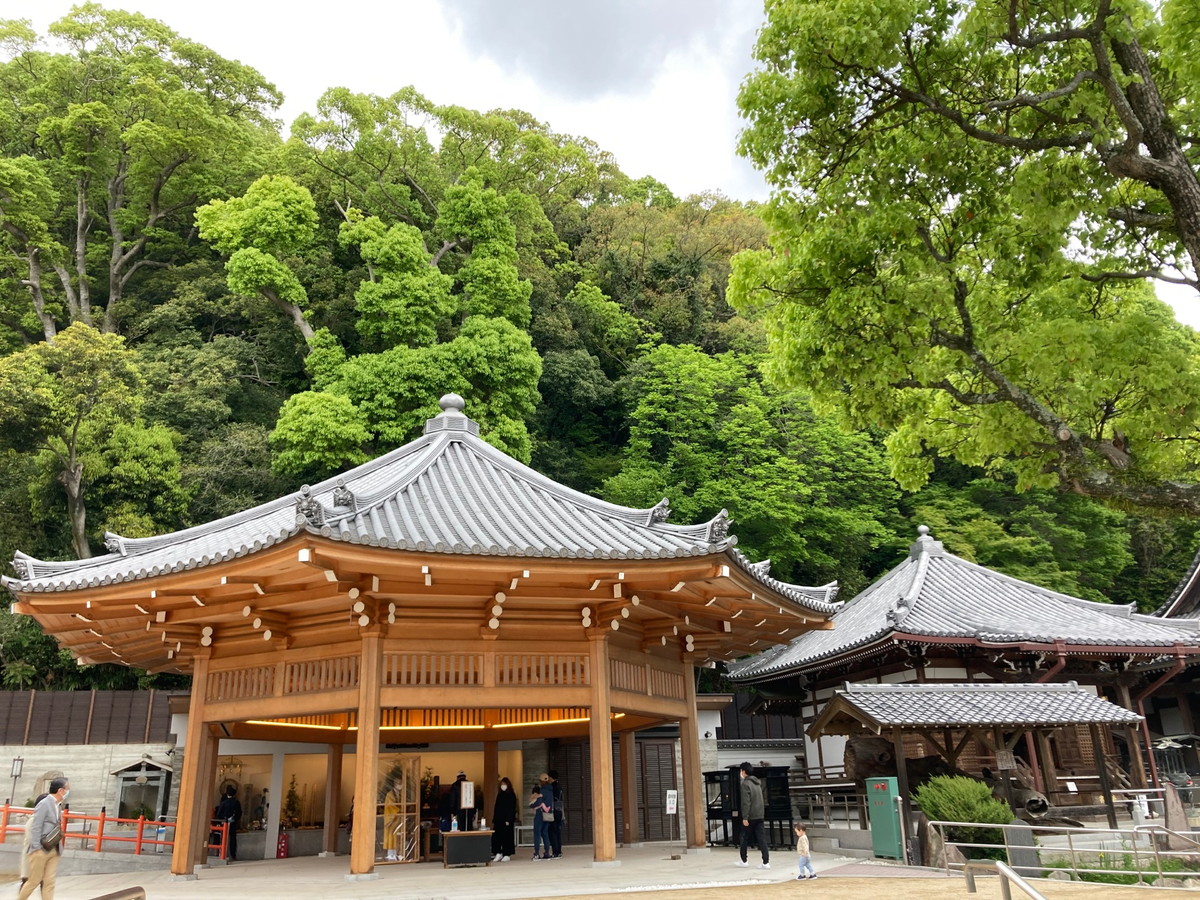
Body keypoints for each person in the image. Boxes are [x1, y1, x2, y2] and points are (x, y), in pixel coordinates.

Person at [20, 777, 68, 900]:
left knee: (49, 882)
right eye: (67, 788)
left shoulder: (58, 806)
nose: (68, 791)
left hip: (54, 848)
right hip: (41, 849)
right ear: (60, 790)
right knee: (34, 881)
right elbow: (36, 826)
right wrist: (36, 847)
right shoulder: (44, 803)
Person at [735, 761, 769, 869]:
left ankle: (744, 860)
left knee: (744, 837)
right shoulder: (757, 783)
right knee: (761, 839)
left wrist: (745, 817)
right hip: (760, 815)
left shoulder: (745, 784)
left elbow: (746, 802)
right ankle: (766, 862)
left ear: (743, 772)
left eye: (741, 771)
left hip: (750, 816)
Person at [490, 777, 517, 862]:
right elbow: (496, 808)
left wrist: (508, 819)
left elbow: (512, 808)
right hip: (498, 820)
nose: (503, 786)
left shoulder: (511, 795)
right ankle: (498, 852)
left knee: (507, 837)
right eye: (502, 784)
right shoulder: (500, 794)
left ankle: (507, 854)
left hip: (507, 821)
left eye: (504, 784)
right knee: (496, 837)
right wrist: (495, 819)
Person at [215, 785, 242, 861]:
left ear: (227, 794)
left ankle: (221, 854)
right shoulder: (236, 802)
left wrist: (223, 820)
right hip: (233, 823)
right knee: (233, 839)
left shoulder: (223, 803)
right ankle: (233, 855)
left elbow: (219, 814)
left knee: (223, 839)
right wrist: (235, 819)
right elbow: (239, 813)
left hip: (224, 823)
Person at [543, 771, 564, 859]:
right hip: (559, 811)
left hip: (553, 812)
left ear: (551, 778)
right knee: (557, 832)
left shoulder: (552, 787)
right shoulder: (559, 786)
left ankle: (555, 852)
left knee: (552, 832)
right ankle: (558, 851)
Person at [528, 784, 551, 860]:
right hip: (547, 816)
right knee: (545, 834)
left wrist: (533, 802)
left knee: (537, 834)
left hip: (539, 816)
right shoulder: (549, 793)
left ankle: (537, 853)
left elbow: (532, 805)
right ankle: (547, 852)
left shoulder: (539, 797)